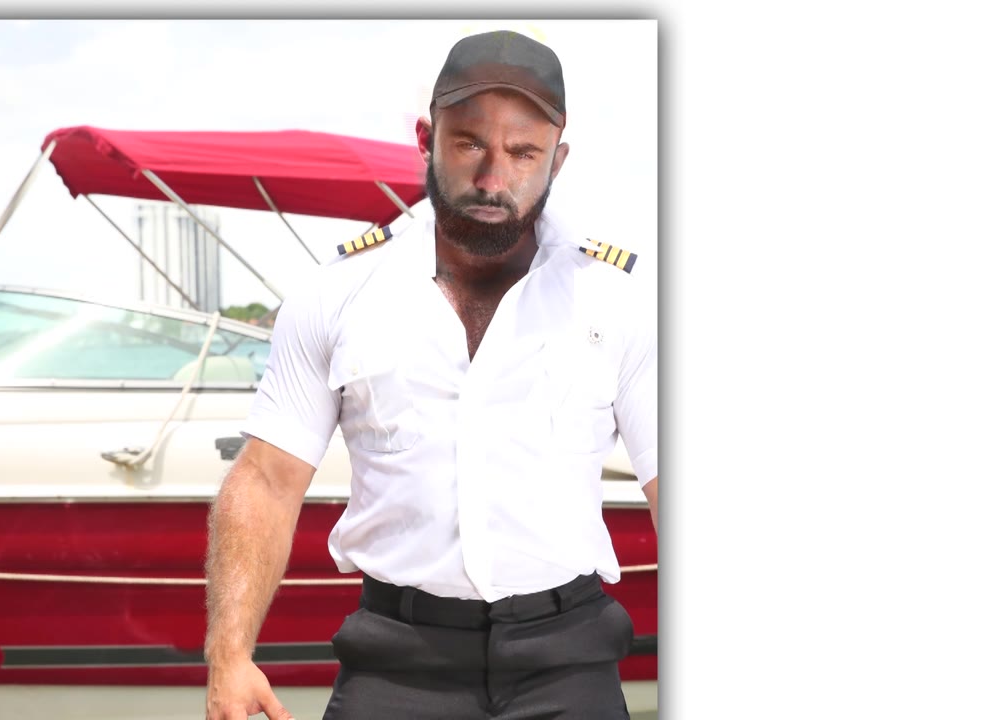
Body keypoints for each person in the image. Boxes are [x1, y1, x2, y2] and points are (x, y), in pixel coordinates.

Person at [203, 29, 658, 720]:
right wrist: (229, 655)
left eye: (523, 153)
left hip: (569, 663)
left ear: (557, 160)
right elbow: (266, 479)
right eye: (470, 143)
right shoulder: (338, 293)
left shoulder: (619, 301)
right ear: (427, 137)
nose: (493, 177)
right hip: (397, 664)